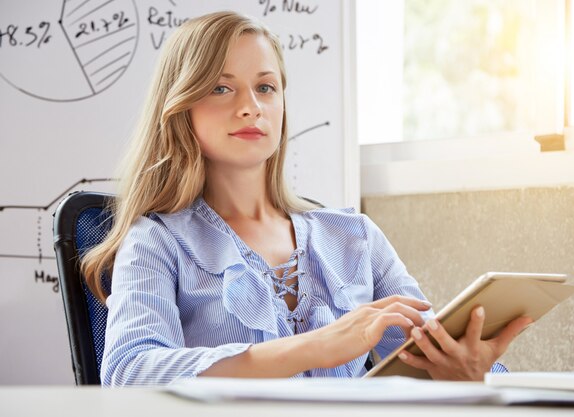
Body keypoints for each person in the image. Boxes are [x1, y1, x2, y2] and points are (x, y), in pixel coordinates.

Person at [82, 11, 532, 386]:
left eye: (265, 88)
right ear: (182, 107)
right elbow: (129, 374)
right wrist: (312, 347)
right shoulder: (155, 242)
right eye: (221, 88)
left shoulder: (354, 237)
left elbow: (427, 357)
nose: (251, 106)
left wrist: (469, 372)